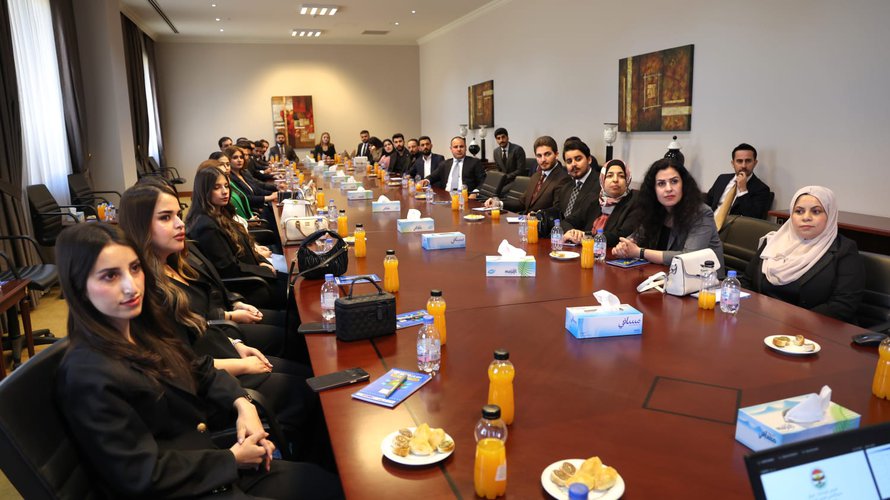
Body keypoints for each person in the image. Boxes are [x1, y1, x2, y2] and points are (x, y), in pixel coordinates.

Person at [53, 223, 342, 499]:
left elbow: (197, 367)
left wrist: (243, 404)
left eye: (135, 268)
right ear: (79, 287)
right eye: (110, 276)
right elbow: (141, 474)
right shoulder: (88, 374)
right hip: (188, 484)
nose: (131, 286)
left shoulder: (139, 329)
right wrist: (231, 459)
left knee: (328, 484)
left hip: (208, 466)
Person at [742, 186, 864, 323]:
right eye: (799, 211)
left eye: (816, 211)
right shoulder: (773, 242)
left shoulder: (844, 250)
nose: (806, 217)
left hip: (811, 330)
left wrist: (790, 321)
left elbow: (843, 305)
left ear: (830, 215)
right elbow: (747, 281)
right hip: (761, 321)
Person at [186, 168, 288, 309]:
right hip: (247, 287)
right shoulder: (206, 226)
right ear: (204, 191)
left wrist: (262, 262)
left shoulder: (222, 212)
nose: (224, 191)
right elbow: (229, 269)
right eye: (217, 187)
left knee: (296, 280)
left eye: (226, 186)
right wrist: (263, 270)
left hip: (254, 274)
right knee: (298, 291)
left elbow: (246, 246)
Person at [613, 158, 724, 268]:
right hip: (663, 274)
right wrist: (623, 246)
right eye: (661, 183)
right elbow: (635, 238)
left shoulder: (702, 213)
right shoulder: (655, 209)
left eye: (674, 181)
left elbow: (688, 257)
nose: (669, 188)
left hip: (704, 277)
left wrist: (640, 252)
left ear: (684, 184)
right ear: (653, 189)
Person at [564, 158, 639, 246]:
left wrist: (586, 237)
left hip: (612, 252)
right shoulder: (593, 199)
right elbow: (567, 222)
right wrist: (572, 233)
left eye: (621, 176)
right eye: (610, 176)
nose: (615, 180)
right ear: (602, 179)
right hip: (586, 251)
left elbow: (621, 236)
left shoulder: (635, 200)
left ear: (627, 179)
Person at [495, 135, 570, 213]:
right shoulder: (536, 176)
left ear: (556, 154)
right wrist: (499, 204)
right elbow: (522, 203)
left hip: (541, 220)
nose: (543, 159)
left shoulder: (563, 179)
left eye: (547, 154)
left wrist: (536, 216)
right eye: (539, 156)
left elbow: (557, 210)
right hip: (524, 219)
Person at [706, 143, 773, 227]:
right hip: (708, 224)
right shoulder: (722, 179)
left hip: (731, 229)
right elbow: (707, 202)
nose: (743, 166)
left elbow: (754, 219)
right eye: (739, 161)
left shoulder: (761, 189)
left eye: (748, 161)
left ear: (755, 163)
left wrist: (743, 190)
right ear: (733, 163)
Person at [542, 140, 601, 232]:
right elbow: (557, 211)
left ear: (589, 159)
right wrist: (540, 214)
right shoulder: (566, 187)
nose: (573, 164)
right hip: (562, 235)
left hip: (583, 236)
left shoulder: (600, 185)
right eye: (569, 161)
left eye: (578, 159)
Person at [421, 136, 486, 196]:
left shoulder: (475, 162)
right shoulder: (445, 164)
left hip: (466, 198)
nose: (459, 149)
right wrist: (426, 180)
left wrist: (475, 193)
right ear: (451, 149)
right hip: (446, 198)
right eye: (455, 147)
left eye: (461, 146)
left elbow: (483, 182)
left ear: (466, 148)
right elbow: (432, 177)